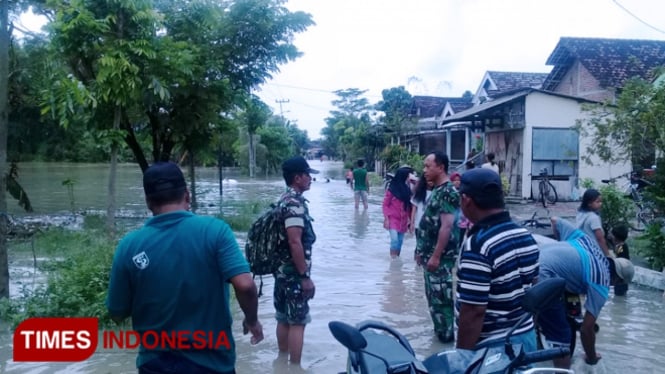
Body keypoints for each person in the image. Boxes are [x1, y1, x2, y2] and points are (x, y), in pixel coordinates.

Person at [106, 162, 263, 374]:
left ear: (148, 202)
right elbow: (245, 285)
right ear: (187, 195)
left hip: (155, 364)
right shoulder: (215, 231)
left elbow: (116, 312)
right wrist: (251, 320)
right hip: (212, 364)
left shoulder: (129, 245)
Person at [455, 168, 539, 351]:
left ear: (466, 200)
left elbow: (474, 311)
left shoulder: (478, 246)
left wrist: (461, 358)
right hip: (526, 338)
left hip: (493, 349)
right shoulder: (525, 235)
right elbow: (533, 285)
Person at [538, 217, 635, 369]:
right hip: (542, 275)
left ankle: (538, 335)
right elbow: (586, 329)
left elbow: (555, 220)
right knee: (563, 335)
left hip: (531, 258)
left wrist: (560, 254)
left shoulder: (590, 245)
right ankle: (562, 371)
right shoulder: (601, 282)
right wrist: (591, 357)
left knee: (558, 315)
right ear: (618, 281)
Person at [274, 156, 318, 365]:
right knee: (297, 322)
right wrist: (304, 277)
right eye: (307, 175)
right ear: (297, 178)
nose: (310, 179)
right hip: (294, 275)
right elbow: (294, 242)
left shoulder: (283, 199)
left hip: (281, 273)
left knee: (283, 318)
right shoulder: (294, 204)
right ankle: (295, 368)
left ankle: (281, 364)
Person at [415, 151, 460, 343]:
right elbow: (430, 223)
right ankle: (439, 336)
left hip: (439, 260)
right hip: (430, 256)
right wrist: (420, 251)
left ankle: (447, 337)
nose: (424, 170)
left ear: (440, 167)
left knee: (441, 299)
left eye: (428, 166)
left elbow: (447, 226)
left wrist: (435, 256)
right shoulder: (437, 190)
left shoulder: (448, 191)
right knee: (433, 299)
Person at [383, 167, 413, 259]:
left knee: (400, 242)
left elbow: (410, 206)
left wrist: (411, 221)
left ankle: (396, 262)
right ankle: (393, 260)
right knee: (394, 240)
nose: (409, 178)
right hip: (393, 219)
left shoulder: (408, 190)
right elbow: (385, 205)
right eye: (408, 176)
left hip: (403, 220)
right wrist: (386, 219)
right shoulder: (391, 190)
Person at [576, 188, 610, 256]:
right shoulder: (593, 218)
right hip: (594, 251)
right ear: (589, 203)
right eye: (597, 202)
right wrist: (607, 254)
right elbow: (600, 239)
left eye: (601, 201)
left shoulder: (580, 214)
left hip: (582, 247)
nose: (600, 204)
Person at [610, 223, 631, 296]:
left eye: (612, 235)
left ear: (616, 237)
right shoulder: (621, 246)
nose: (611, 237)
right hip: (622, 277)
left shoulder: (620, 247)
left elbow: (620, 261)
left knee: (619, 295)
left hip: (621, 277)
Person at [449, 172, 471, 240]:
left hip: (462, 222)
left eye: (458, 180)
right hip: (452, 221)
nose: (457, 182)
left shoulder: (464, 192)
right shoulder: (449, 192)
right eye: (455, 180)